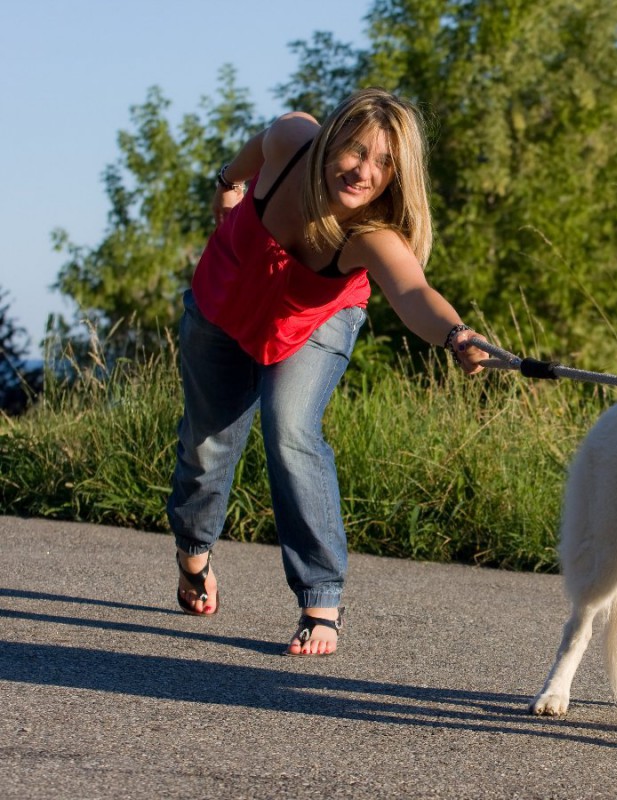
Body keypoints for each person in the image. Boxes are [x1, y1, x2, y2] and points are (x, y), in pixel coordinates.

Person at [167, 88, 489, 656]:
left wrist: (456, 333)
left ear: (398, 174)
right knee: (207, 442)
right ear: (330, 140)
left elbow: (414, 291)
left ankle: (320, 597)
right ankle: (194, 551)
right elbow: (249, 154)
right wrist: (227, 184)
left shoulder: (372, 234)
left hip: (311, 320)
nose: (364, 171)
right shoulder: (293, 140)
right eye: (355, 150)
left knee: (290, 428)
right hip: (225, 299)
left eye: (384, 162)